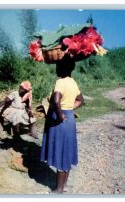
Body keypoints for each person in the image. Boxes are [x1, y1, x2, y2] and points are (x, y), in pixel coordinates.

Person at [40, 55, 84, 194]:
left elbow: (56, 99)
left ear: (62, 68)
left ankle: (58, 190)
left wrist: (59, 115)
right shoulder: (73, 82)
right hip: (69, 118)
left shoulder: (60, 82)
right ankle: (63, 186)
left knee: (60, 150)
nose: (56, 68)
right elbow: (81, 99)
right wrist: (69, 108)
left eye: (58, 66)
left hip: (61, 121)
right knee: (66, 151)